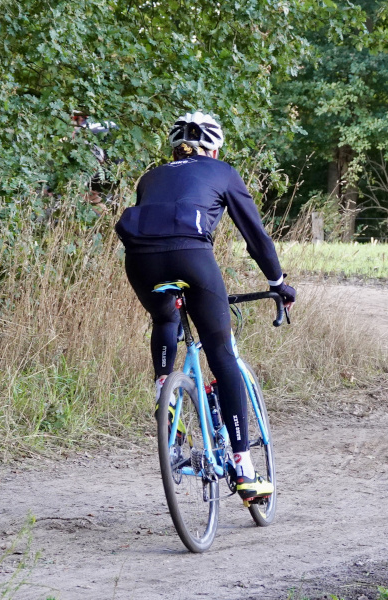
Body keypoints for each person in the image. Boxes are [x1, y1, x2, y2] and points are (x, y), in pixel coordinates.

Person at [115, 111, 296, 501]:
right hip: (192, 257)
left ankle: (166, 397)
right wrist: (277, 283)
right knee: (221, 352)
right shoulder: (223, 172)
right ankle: (244, 469)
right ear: (214, 150)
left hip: (140, 261)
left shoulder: (151, 177)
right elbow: (255, 236)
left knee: (165, 315)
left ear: (174, 149)